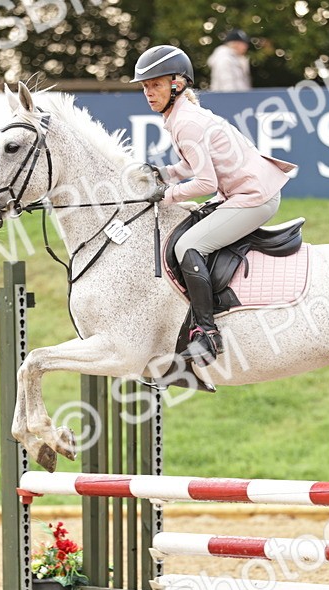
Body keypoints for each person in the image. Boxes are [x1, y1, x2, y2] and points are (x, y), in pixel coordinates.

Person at [132, 44, 296, 365]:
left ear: (177, 84)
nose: (148, 93)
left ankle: (207, 332)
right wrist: (164, 173)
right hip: (243, 192)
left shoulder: (186, 123)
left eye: (156, 85)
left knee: (188, 246)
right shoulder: (182, 116)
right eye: (145, 86)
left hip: (254, 198)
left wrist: (166, 194)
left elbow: (205, 184)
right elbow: (192, 166)